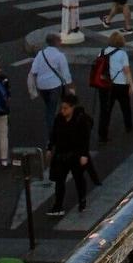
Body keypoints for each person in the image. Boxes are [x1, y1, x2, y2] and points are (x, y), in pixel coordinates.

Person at [47, 88, 96, 216]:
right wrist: (49, 147)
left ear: (72, 108)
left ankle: (82, 200)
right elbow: (54, 134)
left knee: (79, 179)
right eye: (62, 108)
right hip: (62, 154)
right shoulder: (59, 119)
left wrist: (84, 155)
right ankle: (58, 206)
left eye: (65, 108)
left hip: (75, 154)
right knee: (60, 181)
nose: (63, 111)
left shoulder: (80, 120)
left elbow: (85, 139)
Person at [29, 34, 72, 141]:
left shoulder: (40, 54)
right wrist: (69, 87)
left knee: (49, 108)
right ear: (56, 42)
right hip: (55, 86)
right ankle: (57, 133)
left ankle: (52, 133)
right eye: (59, 40)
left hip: (42, 86)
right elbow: (66, 74)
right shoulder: (60, 56)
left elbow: (34, 71)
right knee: (56, 108)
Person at [93, 31, 133, 138]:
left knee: (105, 111)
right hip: (120, 84)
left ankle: (102, 136)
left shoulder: (101, 52)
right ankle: (128, 127)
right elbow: (126, 70)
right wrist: (131, 84)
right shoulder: (122, 54)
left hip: (105, 86)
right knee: (125, 107)